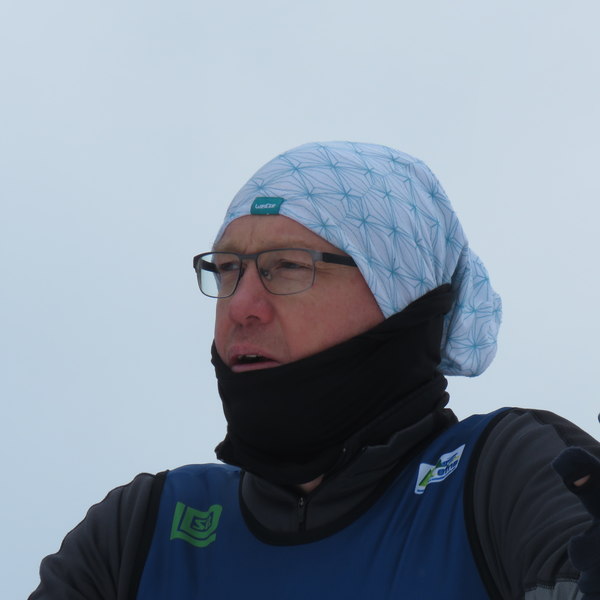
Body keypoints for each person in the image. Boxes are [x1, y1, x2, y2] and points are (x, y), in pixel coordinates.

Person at [30, 141, 600, 599]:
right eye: (227, 270)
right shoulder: (142, 532)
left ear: (402, 299)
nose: (241, 306)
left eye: (285, 266)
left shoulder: (505, 474)